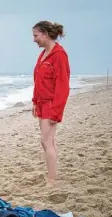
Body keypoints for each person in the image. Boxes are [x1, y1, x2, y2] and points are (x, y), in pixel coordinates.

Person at [31, 21, 70, 187]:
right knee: (47, 141)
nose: (34, 40)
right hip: (41, 103)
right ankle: (53, 175)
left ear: (45, 34)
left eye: (36, 36)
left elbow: (63, 86)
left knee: (47, 141)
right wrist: (34, 101)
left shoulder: (59, 55)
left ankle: (52, 180)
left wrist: (56, 112)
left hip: (51, 105)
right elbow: (38, 80)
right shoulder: (43, 54)